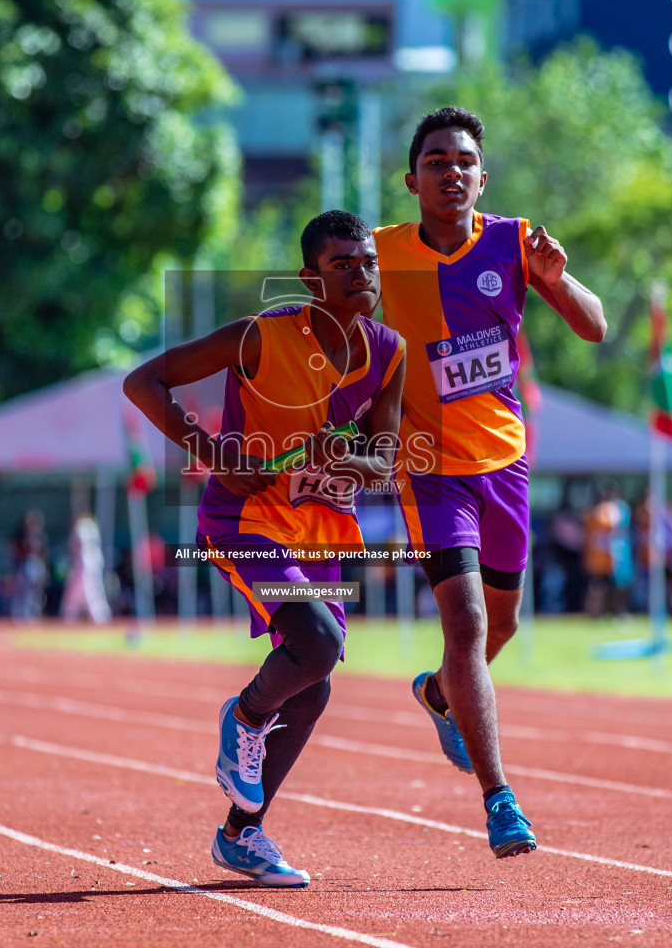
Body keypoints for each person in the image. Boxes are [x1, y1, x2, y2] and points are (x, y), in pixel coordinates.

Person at [124, 210, 405, 888]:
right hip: (244, 519)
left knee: (313, 682)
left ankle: (240, 835)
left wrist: (351, 458)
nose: (362, 273)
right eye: (344, 264)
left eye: (368, 261)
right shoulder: (260, 336)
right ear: (311, 278)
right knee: (315, 642)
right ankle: (245, 715)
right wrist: (212, 449)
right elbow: (144, 383)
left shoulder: (389, 351)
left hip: (321, 535)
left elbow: (388, 459)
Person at [376, 107, 606, 857]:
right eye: (437, 160)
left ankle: (442, 694)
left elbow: (595, 326)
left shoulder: (513, 241)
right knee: (469, 626)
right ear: (412, 179)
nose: (452, 171)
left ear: (483, 176)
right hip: (430, 470)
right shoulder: (378, 255)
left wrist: (556, 280)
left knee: (499, 628)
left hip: (504, 464)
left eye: (465, 160)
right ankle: (500, 800)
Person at [582, 487, 631, 617]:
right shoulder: (599, 512)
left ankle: (612, 613)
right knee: (598, 589)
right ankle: (595, 614)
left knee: (616, 588)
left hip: (611, 559)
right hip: (602, 560)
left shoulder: (615, 509)